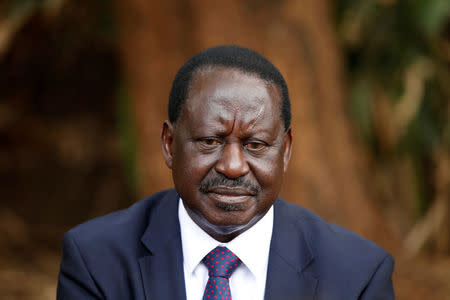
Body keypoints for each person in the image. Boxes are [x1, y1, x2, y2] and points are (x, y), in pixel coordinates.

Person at [57, 45, 394, 300]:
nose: (232, 166)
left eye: (256, 144)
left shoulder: (357, 275)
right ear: (169, 144)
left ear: (286, 151)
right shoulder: (97, 260)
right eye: (209, 140)